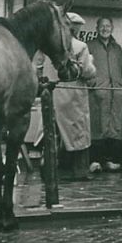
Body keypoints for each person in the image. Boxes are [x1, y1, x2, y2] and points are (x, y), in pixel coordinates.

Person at [34, 12, 96, 180]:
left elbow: (37, 68)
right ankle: (79, 172)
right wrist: (91, 63)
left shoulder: (45, 46)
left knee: (51, 132)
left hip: (51, 94)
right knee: (78, 134)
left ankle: (48, 171)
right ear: (74, 28)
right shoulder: (79, 46)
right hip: (73, 96)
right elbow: (87, 72)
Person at [86, 17, 122, 172]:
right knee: (97, 126)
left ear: (112, 28)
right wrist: (93, 83)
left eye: (108, 26)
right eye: (102, 26)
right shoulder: (89, 46)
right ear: (97, 28)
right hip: (98, 92)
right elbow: (85, 68)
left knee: (114, 127)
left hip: (115, 93)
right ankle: (95, 161)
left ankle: (111, 161)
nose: (105, 29)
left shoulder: (117, 48)